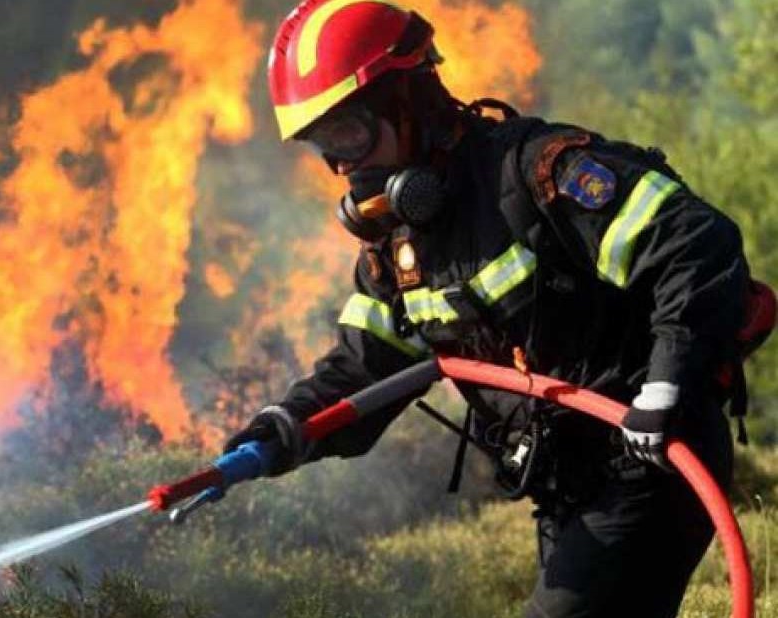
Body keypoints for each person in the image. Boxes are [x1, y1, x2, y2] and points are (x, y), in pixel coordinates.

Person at [225, 1, 768, 616]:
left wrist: (666, 389)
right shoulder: (399, 248)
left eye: (348, 132)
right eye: (323, 144)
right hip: (567, 487)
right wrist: (282, 429)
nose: (343, 165)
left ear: (410, 99)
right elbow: (366, 365)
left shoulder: (539, 173)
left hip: (650, 458)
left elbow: (695, 245)